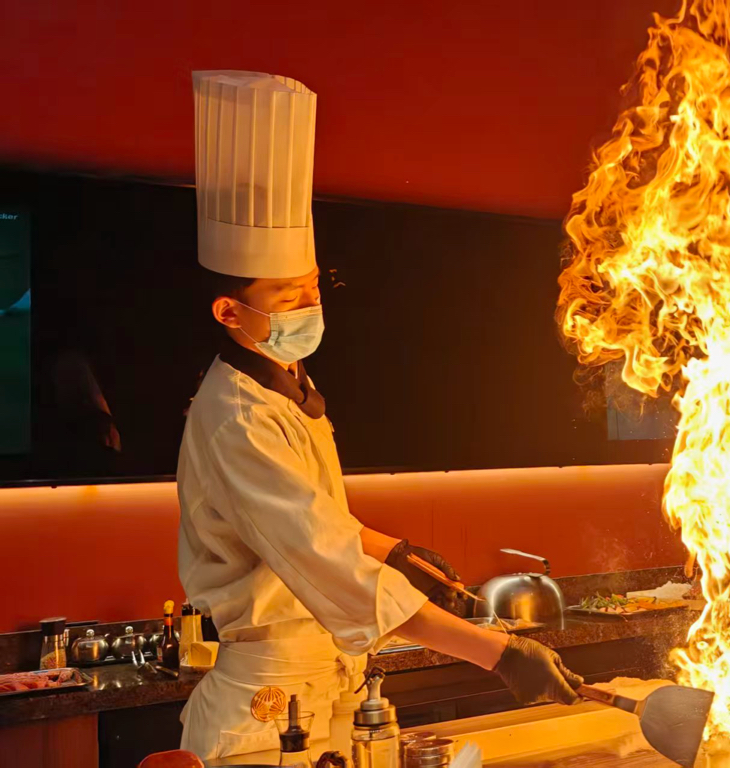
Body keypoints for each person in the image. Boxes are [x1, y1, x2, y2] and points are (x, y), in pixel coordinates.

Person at [177, 71, 581, 761]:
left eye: (313, 288)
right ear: (229, 312)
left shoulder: (285, 383)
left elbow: (321, 520)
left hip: (326, 682)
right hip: (267, 707)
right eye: (288, 295)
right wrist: (498, 653)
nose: (309, 306)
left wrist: (394, 550)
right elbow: (325, 559)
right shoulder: (236, 418)